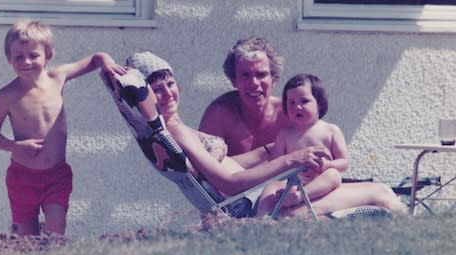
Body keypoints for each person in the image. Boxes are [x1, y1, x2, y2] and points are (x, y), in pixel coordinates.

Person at [115, 51, 408, 220]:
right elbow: (227, 181)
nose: (167, 92)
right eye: (157, 89)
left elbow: (226, 165)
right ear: (145, 96)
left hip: (259, 198)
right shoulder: (176, 130)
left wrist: (271, 150)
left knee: (375, 190)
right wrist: (292, 158)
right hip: (261, 207)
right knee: (381, 193)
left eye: (170, 83)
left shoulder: (172, 127)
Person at [0, 19, 126, 236]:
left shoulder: (57, 78)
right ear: (9, 59)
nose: (26, 61)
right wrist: (15, 146)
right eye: (18, 56)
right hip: (22, 177)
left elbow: (96, 58)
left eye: (33, 55)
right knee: (27, 238)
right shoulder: (6, 95)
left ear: (48, 55)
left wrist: (107, 63)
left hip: (57, 175)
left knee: (56, 229)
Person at [257, 74, 349, 217]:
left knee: (334, 175)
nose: (297, 107)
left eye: (304, 101)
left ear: (320, 103)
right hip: (291, 182)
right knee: (270, 187)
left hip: (319, 181)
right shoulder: (285, 133)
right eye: (291, 102)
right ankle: (260, 218)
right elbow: (273, 164)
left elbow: (344, 163)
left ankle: (299, 197)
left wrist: (326, 165)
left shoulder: (331, 130)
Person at [199, 37, 289, 164]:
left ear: (273, 78)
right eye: (245, 75)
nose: (254, 83)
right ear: (234, 80)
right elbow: (205, 169)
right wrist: (267, 151)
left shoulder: (288, 113)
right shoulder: (219, 114)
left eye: (261, 74)